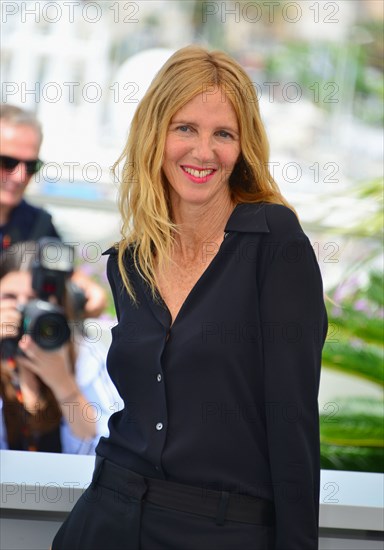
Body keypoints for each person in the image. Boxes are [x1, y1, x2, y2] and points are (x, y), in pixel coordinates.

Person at [52, 45, 328, 549]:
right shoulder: (130, 260)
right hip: (108, 515)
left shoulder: (274, 242)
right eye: (185, 128)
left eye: (222, 133)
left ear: (244, 146)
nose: (203, 152)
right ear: (155, 134)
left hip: (221, 530)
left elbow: (293, 418)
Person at [0, 240, 122, 454]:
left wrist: (63, 383)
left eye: (32, 299)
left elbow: (102, 448)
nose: (21, 308)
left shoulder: (85, 355)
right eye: (9, 297)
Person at [0, 104, 107, 318]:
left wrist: (88, 293)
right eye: (8, 162)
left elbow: (66, 272)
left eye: (31, 166)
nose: (20, 176)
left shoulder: (38, 222)